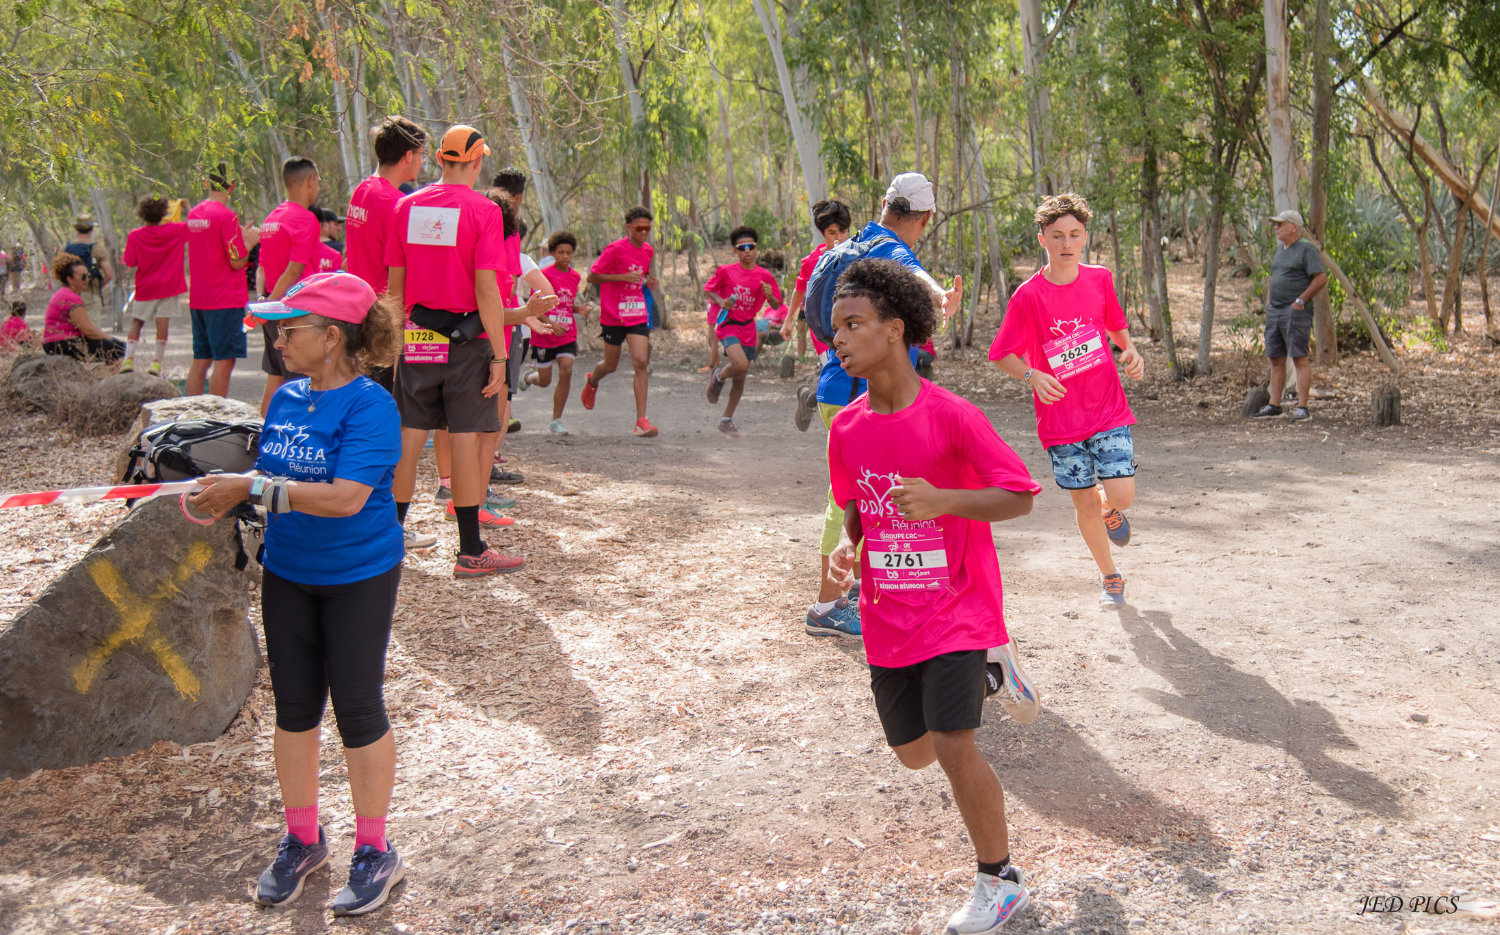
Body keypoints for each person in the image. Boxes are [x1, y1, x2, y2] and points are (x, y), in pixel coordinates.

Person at [825, 259, 1039, 935]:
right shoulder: (847, 428)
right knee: (915, 753)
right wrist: (849, 547)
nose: (838, 339)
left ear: (895, 329)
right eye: (835, 328)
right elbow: (857, 505)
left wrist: (946, 499)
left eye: (852, 324)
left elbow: (1019, 496)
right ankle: (992, 671)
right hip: (887, 615)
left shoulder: (952, 416)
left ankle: (999, 881)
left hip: (957, 607)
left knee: (951, 744)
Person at [187, 272, 406, 917]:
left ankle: (375, 851)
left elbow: (345, 498)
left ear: (332, 337)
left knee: (358, 708)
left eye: (289, 330)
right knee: (294, 708)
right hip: (288, 571)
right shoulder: (285, 398)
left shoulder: (372, 406)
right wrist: (226, 486)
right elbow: (272, 473)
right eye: (277, 330)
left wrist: (251, 490)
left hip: (358, 574)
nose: (278, 341)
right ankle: (303, 841)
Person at [798, 173, 963, 639]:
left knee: (870, 495)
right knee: (850, 500)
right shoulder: (891, 248)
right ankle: (827, 606)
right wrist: (939, 295)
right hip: (859, 397)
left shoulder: (851, 244)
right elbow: (914, 274)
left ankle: (862, 593)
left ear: (886, 205)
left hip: (839, 387)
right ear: (925, 218)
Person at [385, 125, 551, 577]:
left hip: (417, 336)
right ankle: (470, 550)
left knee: (409, 437)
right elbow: (487, 290)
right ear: (477, 162)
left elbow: (395, 286)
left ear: (440, 158)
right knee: (464, 436)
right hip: (468, 342)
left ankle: (387, 541)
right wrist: (499, 355)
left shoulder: (406, 206)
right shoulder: (484, 210)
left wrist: (395, 346)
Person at [988, 193, 1145, 608]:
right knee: (1082, 499)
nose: (1067, 243)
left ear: (1085, 237)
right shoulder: (1028, 296)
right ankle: (1110, 576)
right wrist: (1032, 374)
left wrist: (1129, 349)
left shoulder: (1100, 279)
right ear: (1043, 239)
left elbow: (1115, 324)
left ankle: (1111, 508)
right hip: (1060, 419)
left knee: (1122, 496)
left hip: (1107, 407)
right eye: (1057, 235)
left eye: (1075, 234)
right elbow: (1000, 353)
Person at [582, 206, 660, 437]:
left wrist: (649, 282)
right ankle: (592, 380)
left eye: (647, 228)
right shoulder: (614, 249)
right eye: (639, 228)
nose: (644, 232)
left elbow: (642, 274)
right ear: (629, 227)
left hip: (637, 312)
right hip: (613, 314)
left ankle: (641, 420)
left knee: (641, 361)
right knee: (610, 365)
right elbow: (592, 276)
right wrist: (622, 277)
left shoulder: (648, 250)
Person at [186, 164, 260, 397]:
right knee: (225, 360)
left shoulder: (194, 214)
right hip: (225, 299)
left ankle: (193, 409)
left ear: (207, 183)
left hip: (199, 298)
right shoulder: (227, 216)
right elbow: (237, 261)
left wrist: (239, 238)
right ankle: (217, 413)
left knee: (201, 359)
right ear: (233, 186)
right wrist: (249, 242)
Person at [258, 156, 323, 414]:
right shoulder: (305, 219)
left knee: (275, 377)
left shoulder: (271, 218)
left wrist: (264, 302)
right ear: (311, 181)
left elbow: (262, 267)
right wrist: (271, 306)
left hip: (273, 309)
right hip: (295, 313)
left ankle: (262, 431)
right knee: (303, 383)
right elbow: (294, 270)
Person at [704, 225, 782, 438]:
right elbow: (709, 289)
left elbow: (776, 305)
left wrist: (770, 295)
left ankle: (726, 420)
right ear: (735, 251)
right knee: (740, 364)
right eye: (742, 247)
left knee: (741, 377)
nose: (747, 251)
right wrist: (721, 301)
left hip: (748, 327)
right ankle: (718, 375)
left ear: (756, 249)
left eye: (751, 247)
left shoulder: (764, 275)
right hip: (728, 324)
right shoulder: (726, 271)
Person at [1252, 208, 1327, 422]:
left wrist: (1300, 301)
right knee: (1276, 358)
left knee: (1299, 358)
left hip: (1294, 312)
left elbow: (1321, 278)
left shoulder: (1306, 249)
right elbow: (1274, 277)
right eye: (1275, 224)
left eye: (1280, 224)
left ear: (1294, 227)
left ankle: (1302, 408)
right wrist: (1269, 304)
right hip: (1275, 311)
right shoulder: (1280, 250)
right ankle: (1274, 405)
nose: (1276, 227)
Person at [522, 230, 586, 435]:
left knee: (566, 369)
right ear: (552, 253)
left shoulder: (575, 277)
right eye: (561, 252)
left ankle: (556, 420)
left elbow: (566, 304)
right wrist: (550, 323)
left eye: (569, 252)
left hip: (567, 334)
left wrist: (578, 309)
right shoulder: (544, 276)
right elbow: (534, 307)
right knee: (545, 380)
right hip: (544, 334)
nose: (565, 256)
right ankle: (529, 378)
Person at [120, 195, 190, 375]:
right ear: (164, 212)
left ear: (142, 213)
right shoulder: (175, 230)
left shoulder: (135, 235)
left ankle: (128, 360)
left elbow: (130, 262)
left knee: (137, 321)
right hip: (169, 286)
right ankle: (157, 363)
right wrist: (187, 207)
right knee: (162, 322)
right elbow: (196, 226)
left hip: (146, 287)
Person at [781, 199, 852, 365]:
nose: (839, 238)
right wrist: (788, 319)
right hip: (824, 332)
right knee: (834, 368)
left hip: (851, 326)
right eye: (832, 233)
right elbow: (800, 290)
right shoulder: (812, 262)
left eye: (843, 231)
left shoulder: (857, 255)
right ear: (822, 232)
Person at [43, 254, 125, 362]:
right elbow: (88, 330)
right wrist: (112, 340)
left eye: (88, 276)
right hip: (63, 343)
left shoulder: (63, 293)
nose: (87, 280)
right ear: (70, 279)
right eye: (83, 277)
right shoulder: (70, 297)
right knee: (120, 348)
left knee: (112, 346)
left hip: (56, 343)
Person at [63, 214, 114, 325]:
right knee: (91, 330)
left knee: (71, 330)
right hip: (90, 294)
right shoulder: (98, 249)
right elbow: (109, 274)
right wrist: (98, 286)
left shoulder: (65, 249)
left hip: (68, 295)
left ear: (76, 229)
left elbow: (57, 272)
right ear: (91, 229)